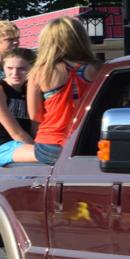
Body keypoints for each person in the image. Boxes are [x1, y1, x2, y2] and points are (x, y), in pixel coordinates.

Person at [28, 18, 98, 166]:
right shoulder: (97, 69)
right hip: (87, 140)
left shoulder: (40, 72)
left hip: (49, 144)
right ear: (80, 39)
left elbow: (35, 114)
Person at [0, 48, 39, 166]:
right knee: (49, 155)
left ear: (32, 69)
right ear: (3, 68)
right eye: (9, 68)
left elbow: (35, 126)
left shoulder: (31, 90)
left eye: (22, 69)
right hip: (1, 148)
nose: (15, 73)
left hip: (25, 145)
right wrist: (42, 150)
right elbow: (16, 132)